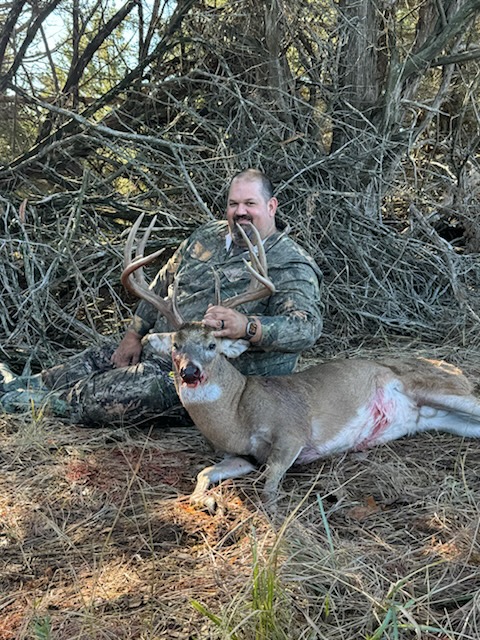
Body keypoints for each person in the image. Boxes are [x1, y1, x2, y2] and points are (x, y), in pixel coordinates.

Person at [0, 169, 323, 426]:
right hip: (170, 348)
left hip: (222, 381)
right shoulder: (206, 237)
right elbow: (159, 284)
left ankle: (24, 404)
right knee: (93, 359)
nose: (240, 212)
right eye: (233, 204)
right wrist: (133, 335)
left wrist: (249, 326)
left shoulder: (290, 262)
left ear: (271, 206)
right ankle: (18, 386)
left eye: (250, 204)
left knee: (114, 394)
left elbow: (306, 328)